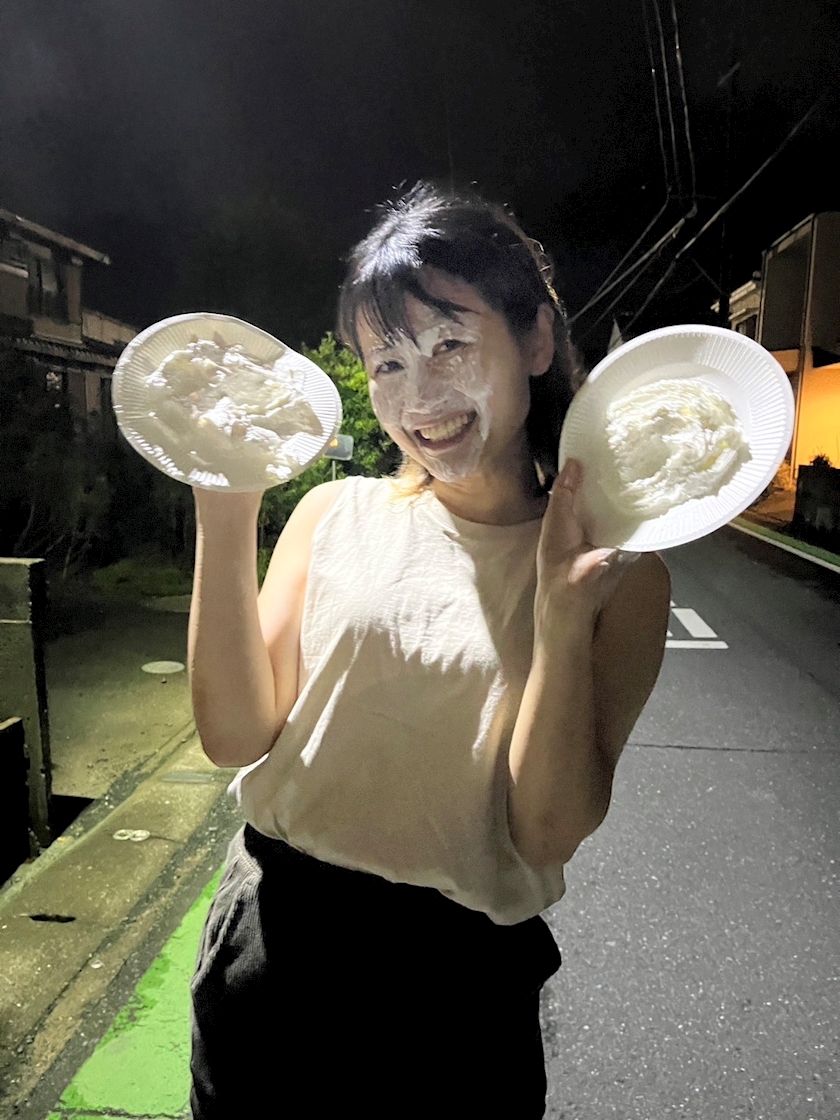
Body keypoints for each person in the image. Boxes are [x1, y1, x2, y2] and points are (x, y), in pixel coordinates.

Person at [187, 182, 671, 1118]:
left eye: (451, 344)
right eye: (388, 362)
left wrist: (560, 622)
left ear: (535, 340)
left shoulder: (616, 573)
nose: (420, 397)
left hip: (456, 997)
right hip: (273, 946)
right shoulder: (333, 514)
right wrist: (225, 504)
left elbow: (546, 831)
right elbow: (234, 736)